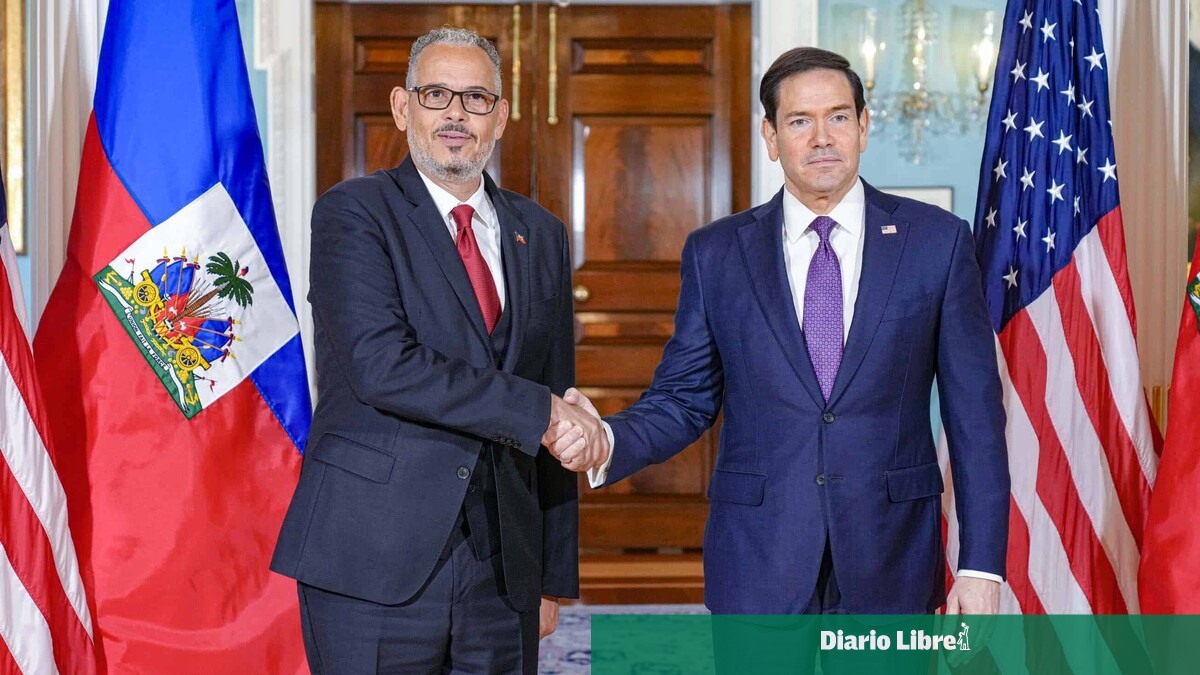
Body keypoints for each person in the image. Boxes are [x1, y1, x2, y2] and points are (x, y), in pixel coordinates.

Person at [554, 47, 1010, 617]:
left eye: (838, 116)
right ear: (770, 137)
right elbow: (684, 399)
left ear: (864, 127)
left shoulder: (937, 241)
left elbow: (975, 415)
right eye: (799, 121)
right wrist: (607, 439)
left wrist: (981, 566)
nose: (822, 138)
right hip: (758, 556)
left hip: (892, 554)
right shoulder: (716, 253)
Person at [271, 26, 607, 674]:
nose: (456, 113)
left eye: (476, 98)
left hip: (503, 571)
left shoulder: (541, 232)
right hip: (372, 559)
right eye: (436, 95)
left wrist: (550, 577)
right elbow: (382, 366)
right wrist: (539, 410)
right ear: (403, 107)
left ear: (499, 118)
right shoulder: (353, 213)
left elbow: (556, 389)